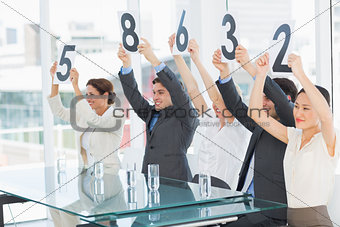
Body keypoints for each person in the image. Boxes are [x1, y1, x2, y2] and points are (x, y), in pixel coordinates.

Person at [248, 53, 339, 226]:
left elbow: (327, 117)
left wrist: (300, 74)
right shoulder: (293, 137)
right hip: (292, 221)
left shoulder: (326, 141)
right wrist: (260, 76)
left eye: (306, 108)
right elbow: (255, 114)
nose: (298, 113)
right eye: (296, 106)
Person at [215, 46, 298, 226]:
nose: (262, 103)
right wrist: (225, 75)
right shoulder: (262, 124)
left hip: (271, 214)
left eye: (267, 98)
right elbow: (236, 106)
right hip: (246, 206)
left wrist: (252, 68)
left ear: (289, 99)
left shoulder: (292, 125)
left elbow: (282, 103)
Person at [168, 34, 250, 190]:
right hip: (200, 185)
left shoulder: (238, 125)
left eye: (223, 101)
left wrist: (197, 60)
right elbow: (192, 90)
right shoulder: (211, 118)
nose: (216, 104)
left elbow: (215, 96)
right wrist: (177, 56)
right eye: (216, 102)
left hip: (223, 191)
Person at [117, 38, 199, 182]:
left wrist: (153, 60)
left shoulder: (186, 116)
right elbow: (133, 94)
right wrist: (126, 65)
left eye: (161, 92)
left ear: (173, 94)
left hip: (177, 185)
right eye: (154, 93)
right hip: (150, 181)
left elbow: (176, 89)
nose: (155, 97)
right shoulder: (151, 113)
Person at [47, 62, 124, 171]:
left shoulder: (117, 116)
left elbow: (95, 121)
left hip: (109, 175)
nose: (88, 99)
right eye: (86, 95)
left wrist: (75, 86)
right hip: (86, 175)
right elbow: (58, 111)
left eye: (92, 95)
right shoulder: (84, 114)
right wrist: (55, 81)